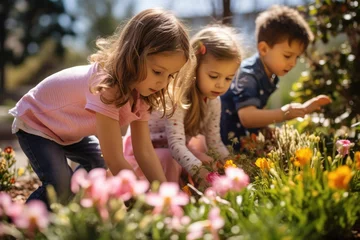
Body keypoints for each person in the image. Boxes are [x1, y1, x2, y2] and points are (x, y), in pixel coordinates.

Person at [9, 8, 190, 206]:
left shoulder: (143, 94)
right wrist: (139, 204)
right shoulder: (107, 86)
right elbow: (115, 159)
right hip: (38, 124)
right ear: (135, 54)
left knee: (97, 164)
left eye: (170, 75)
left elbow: (144, 151)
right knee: (60, 186)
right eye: (157, 71)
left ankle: (76, 205)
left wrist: (165, 198)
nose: (163, 83)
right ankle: (22, 221)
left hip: (67, 131)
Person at [123, 25, 243, 188]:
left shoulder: (214, 101)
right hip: (143, 152)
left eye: (228, 78)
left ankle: (197, 197)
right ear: (195, 67)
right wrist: (202, 173)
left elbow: (214, 142)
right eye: (213, 76)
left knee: (206, 158)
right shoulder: (177, 97)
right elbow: (176, 147)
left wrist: (233, 167)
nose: (221, 84)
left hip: (173, 151)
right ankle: (170, 202)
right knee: (172, 160)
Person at [220, 5, 331, 151]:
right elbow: (247, 117)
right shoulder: (248, 75)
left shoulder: (268, 74)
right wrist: (284, 113)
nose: (293, 63)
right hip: (226, 144)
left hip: (246, 141)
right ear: (264, 49)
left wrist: (268, 129)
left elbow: (258, 111)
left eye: (297, 57)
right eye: (287, 55)